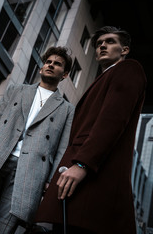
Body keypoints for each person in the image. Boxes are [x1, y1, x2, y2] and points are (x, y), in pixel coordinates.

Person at [34, 26, 147, 234]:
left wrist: (82, 164)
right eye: (99, 44)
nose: (102, 45)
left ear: (125, 50)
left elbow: (112, 121)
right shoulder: (104, 78)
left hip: (93, 175)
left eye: (110, 41)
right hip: (80, 175)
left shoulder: (128, 69)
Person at [0, 46, 75, 234]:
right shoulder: (17, 90)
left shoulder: (67, 109)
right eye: (48, 62)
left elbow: (62, 148)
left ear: (64, 75)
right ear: (41, 68)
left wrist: (50, 180)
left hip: (31, 171)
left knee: (5, 227)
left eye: (57, 64)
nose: (51, 65)